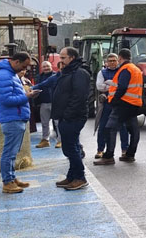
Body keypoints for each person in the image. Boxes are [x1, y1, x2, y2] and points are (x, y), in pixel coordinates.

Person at [46, 47, 92, 191]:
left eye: (63, 58)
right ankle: (72, 176)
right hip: (67, 117)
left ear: (71, 58)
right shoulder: (69, 72)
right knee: (70, 147)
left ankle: (80, 177)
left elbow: (79, 97)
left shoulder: (79, 73)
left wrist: (67, 115)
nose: (60, 61)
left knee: (71, 148)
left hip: (73, 117)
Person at [0, 52, 40, 193]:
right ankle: (7, 182)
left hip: (16, 117)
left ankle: (11, 178)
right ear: (16, 62)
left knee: (12, 152)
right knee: (9, 153)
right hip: (12, 119)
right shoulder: (4, 76)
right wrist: (27, 96)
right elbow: (6, 100)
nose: (24, 69)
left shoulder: (11, 75)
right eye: (24, 66)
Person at [94, 48, 142, 165]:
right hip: (134, 103)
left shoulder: (125, 69)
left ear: (120, 58)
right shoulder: (136, 69)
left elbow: (122, 87)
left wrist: (114, 100)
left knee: (109, 128)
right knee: (134, 129)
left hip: (123, 104)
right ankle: (130, 154)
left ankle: (108, 156)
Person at [94, 53, 129, 159]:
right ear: (106, 62)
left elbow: (124, 86)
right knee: (103, 127)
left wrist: (109, 84)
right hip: (107, 104)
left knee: (123, 127)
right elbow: (99, 86)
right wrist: (116, 86)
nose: (112, 62)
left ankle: (125, 150)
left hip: (120, 103)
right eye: (110, 61)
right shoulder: (102, 72)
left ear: (118, 61)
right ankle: (100, 150)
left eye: (114, 60)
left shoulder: (122, 71)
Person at [33, 61, 59, 148]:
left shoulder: (56, 76)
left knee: (57, 122)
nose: (46, 68)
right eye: (44, 67)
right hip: (43, 103)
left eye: (47, 66)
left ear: (51, 66)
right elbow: (38, 86)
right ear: (41, 68)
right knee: (44, 123)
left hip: (55, 103)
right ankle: (45, 140)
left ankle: (60, 140)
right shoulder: (39, 77)